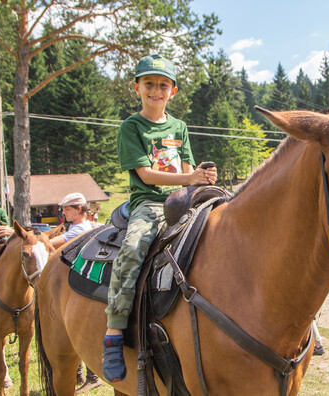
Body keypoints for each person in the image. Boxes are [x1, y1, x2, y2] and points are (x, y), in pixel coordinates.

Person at [102, 54, 217, 383]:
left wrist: (202, 177)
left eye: (163, 85)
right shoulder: (131, 127)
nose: (156, 90)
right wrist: (188, 179)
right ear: (136, 87)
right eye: (149, 83)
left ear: (173, 91)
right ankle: (113, 334)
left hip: (184, 201)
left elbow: (187, 170)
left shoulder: (179, 127)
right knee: (133, 248)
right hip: (149, 205)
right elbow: (146, 175)